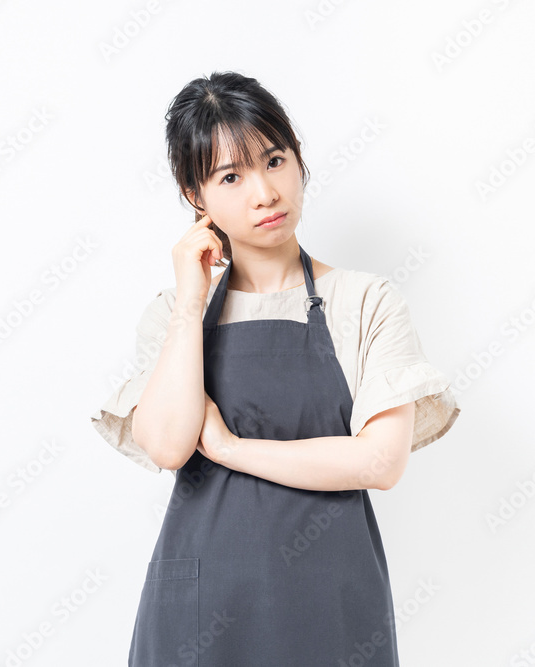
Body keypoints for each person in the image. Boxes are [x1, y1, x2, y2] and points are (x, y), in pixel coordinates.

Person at [90, 70, 460, 666]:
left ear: (298, 160)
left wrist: (230, 448)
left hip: (328, 607)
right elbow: (166, 445)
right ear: (195, 197)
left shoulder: (365, 302)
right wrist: (191, 300)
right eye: (230, 177)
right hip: (201, 611)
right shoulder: (174, 317)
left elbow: (379, 462)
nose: (265, 193)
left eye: (274, 160)